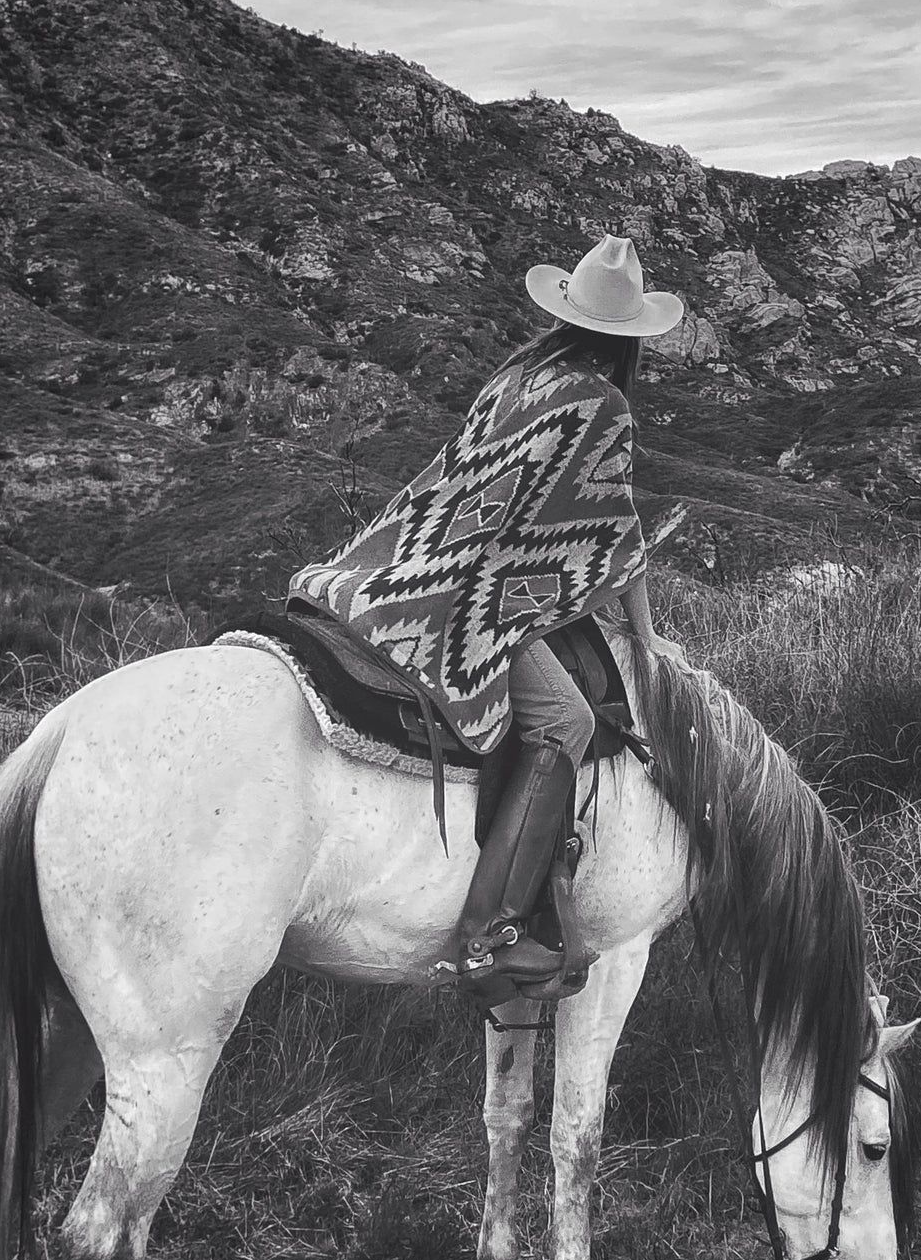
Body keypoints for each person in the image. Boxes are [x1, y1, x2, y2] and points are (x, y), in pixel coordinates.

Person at [288, 235, 685, 998]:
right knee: (567, 720)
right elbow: (613, 542)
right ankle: (489, 932)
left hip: (405, 570)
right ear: (632, 338)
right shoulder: (603, 405)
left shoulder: (516, 379)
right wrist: (646, 636)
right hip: (472, 597)